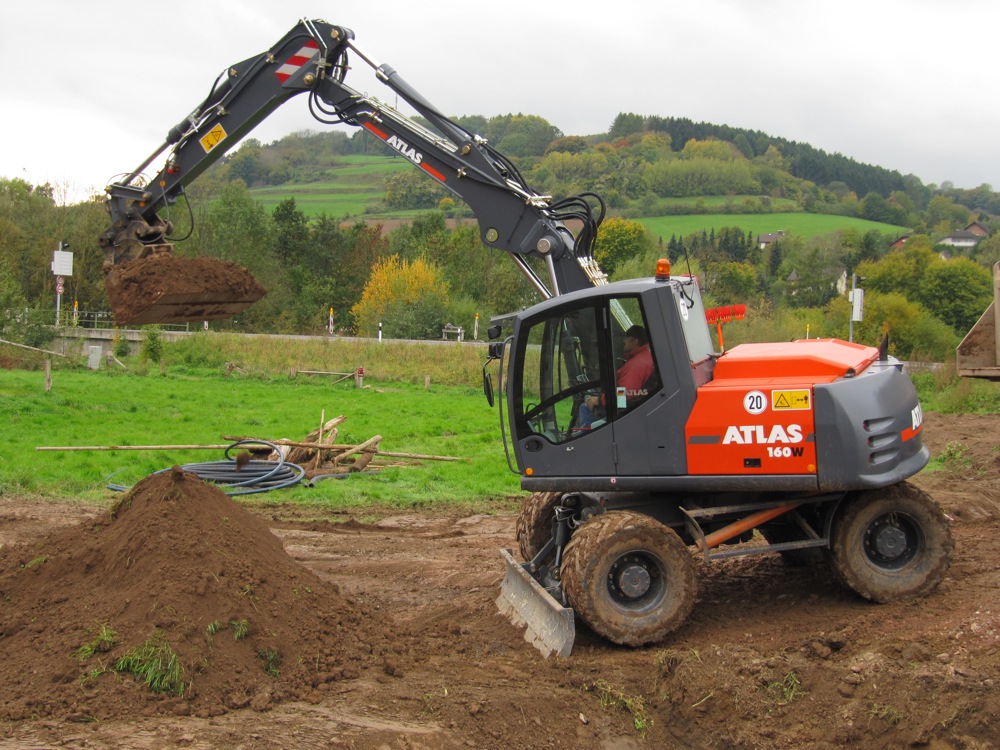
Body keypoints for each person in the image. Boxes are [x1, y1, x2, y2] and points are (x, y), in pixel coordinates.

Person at [578, 325, 655, 428]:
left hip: (626, 409)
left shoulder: (637, 364)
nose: (624, 341)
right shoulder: (645, 356)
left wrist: (600, 400)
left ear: (635, 341)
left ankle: (587, 436)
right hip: (635, 405)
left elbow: (624, 394)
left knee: (585, 406)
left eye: (626, 338)